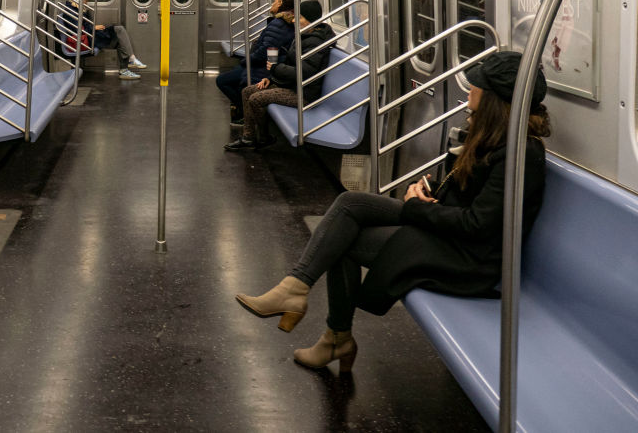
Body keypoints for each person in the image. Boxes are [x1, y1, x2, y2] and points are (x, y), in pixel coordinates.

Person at [235, 51, 550, 370]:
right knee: (351, 204)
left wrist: (416, 207)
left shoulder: (521, 154)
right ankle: (296, 289)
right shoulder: (495, 139)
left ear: (497, 99)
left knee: (343, 245)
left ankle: (335, 337)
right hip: (453, 238)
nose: (470, 91)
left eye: (477, 86)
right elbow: (468, 199)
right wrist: (428, 192)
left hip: (470, 260)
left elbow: (478, 224)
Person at [224, 0, 333, 150]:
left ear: (311, 21)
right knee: (248, 91)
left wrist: (275, 68)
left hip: (304, 93)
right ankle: (248, 137)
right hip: (291, 85)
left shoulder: (315, 43)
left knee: (256, 98)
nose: (294, 20)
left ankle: (263, 138)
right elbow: (290, 64)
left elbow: (304, 73)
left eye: (299, 18)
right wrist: (270, 78)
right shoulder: (302, 36)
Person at [216, 0, 296, 124]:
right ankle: (244, 112)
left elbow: (265, 52)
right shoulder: (280, 23)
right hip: (262, 65)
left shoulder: (279, 24)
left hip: (262, 69)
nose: (272, 4)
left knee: (222, 81)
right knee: (229, 79)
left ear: (280, 4)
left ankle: (246, 113)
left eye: (274, 1)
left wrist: (246, 61)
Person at [60, 0, 146, 80]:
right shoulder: (70, 12)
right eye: (85, 0)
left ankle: (126, 68)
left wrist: (94, 27)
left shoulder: (79, 9)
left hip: (90, 35)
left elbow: (85, 26)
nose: (86, 3)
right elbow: (78, 30)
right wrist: (94, 28)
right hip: (84, 40)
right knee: (119, 32)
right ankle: (130, 62)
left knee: (119, 37)